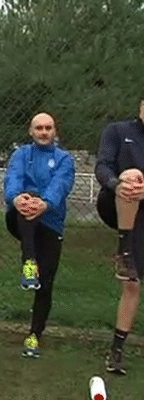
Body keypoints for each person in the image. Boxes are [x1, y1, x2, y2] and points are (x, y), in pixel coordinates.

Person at [4, 112, 75, 358]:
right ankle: (28, 262)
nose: (43, 132)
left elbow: (61, 185)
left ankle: (34, 336)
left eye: (48, 128)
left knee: (45, 285)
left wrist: (45, 204)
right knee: (27, 196)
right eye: (39, 128)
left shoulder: (64, 159)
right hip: (21, 217)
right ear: (30, 131)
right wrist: (16, 198)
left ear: (54, 131)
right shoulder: (21, 155)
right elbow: (12, 179)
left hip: (50, 223)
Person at [95, 99, 144, 375]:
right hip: (116, 202)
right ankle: (123, 248)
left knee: (132, 285)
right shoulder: (117, 130)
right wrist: (118, 185)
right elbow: (102, 167)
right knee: (133, 177)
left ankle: (116, 351)